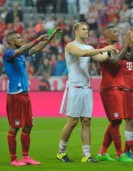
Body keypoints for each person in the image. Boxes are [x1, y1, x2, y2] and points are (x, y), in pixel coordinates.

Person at [56, 22, 116, 163]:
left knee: (86, 121)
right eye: (83, 29)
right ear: (76, 32)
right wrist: (103, 48)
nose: (86, 31)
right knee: (72, 122)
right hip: (74, 87)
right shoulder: (71, 46)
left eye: (87, 29)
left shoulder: (90, 47)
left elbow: (101, 58)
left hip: (86, 88)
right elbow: (81, 53)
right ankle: (61, 152)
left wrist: (109, 51)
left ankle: (86, 155)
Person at [3, 27, 62, 166]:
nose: (21, 39)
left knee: (28, 126)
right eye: (18, 38)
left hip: (25, 95)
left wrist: (52, 36)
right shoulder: (8, 53)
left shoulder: (22, 54)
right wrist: (35, 39)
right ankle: (13, 159)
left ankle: (26, 157)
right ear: (11, 41)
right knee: (14, 127)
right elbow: (20, 50)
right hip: (15, 96)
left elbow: (37, 48)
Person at [96, 25, 133, 162]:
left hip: (119, 87)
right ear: (106, 36)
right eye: (114, 32)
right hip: (109, 88)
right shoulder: (102, 47)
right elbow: (114, 60)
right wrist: (125, 44)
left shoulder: (118, 47)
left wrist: (132, 44)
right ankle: (120, 154)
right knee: (116, 121)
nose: (117, 34)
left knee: (116, 120)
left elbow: (131, 58)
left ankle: (101, 153)